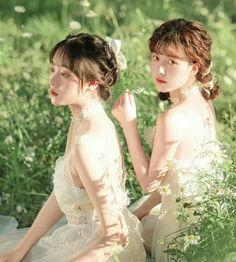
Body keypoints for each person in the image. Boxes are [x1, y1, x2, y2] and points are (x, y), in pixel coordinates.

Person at [0, 33, 146, 261]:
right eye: (53, 70)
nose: (53, 81)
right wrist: (22, 248)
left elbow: (116, 235)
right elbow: (64, 191)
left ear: (92, 83)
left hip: (100, 251)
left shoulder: (86, 143)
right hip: (84, 235)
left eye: (65, 74)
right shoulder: (84, 120)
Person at [112, 18, 222, 261]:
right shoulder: (203, 100)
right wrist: (143, 209)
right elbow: (181, 175)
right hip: (207, 214)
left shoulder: (172, 118)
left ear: (195, 67)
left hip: (181, 231)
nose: (159, 70)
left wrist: (129, 125)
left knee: (105, 239)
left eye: (172, 61)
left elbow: (148, 184)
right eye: (156, 58)